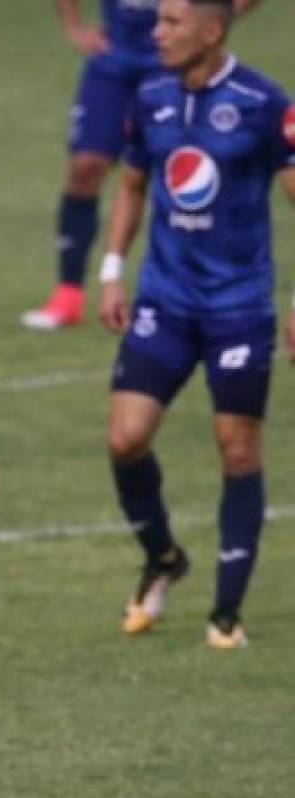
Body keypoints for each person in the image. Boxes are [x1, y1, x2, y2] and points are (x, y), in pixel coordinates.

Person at [98, 0, 295, 647]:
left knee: (236, 448)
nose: (155, 32)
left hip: (238, 307)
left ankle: (226, 613)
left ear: (211, 30)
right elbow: (131, 184)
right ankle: (162, 557)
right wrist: (110, 269)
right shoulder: (149, 95)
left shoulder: (264, 103)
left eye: (170, 22)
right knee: (125, 439)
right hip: (165, 301)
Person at [22, 0, 259, 330]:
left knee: (188, 178)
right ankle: (68, 296)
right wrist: (73, 26)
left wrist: (211, 22)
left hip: (174, 62)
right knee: (85, 168)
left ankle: (200, 290)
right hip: (113, 61)